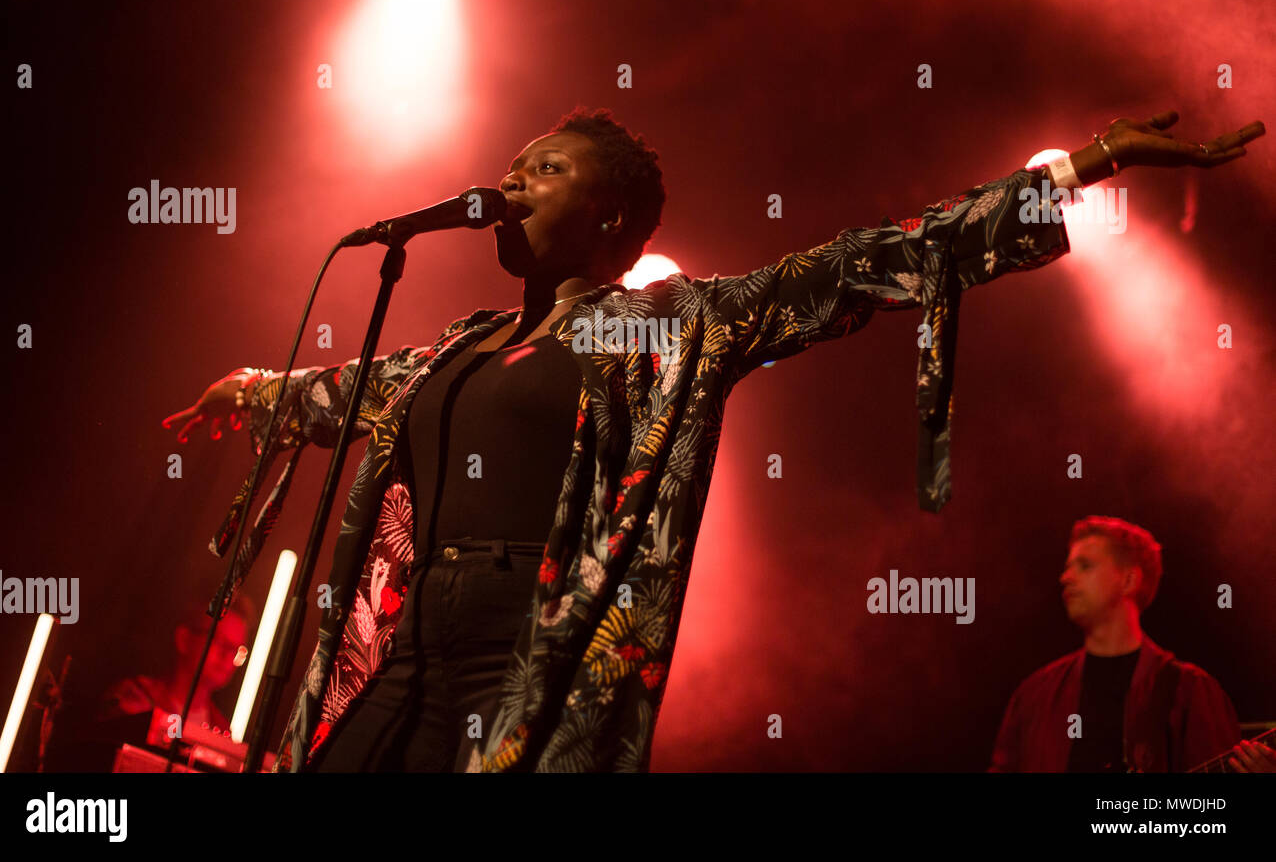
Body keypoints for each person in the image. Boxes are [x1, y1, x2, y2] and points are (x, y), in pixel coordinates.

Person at [164, 107, 1263, 772]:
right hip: (405, 649)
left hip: (528, 654)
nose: (512, 182)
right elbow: (345, 390)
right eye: (514, 161)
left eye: (544, 167)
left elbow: (856, 264)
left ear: (609, 217)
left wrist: (1074, 169)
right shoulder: (453, 344)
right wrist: (254, 389)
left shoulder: (667, 325)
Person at [989, 516, 1275, 772]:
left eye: (1084, 565)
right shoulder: (1034, 695)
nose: (1065, 578)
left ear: (1128, 580)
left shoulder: (1190, 691)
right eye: (1067, 567)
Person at [101, 595, 254, 734]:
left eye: (236, 649)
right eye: (219, 641)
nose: (228, 656)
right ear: (184, 639)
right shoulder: (135, 700)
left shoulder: (222, 730)